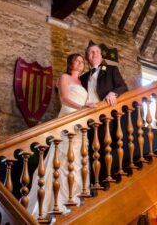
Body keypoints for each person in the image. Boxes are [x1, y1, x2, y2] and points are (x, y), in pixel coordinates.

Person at [27, 54, 96, 218]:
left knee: (79, 160)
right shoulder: (64, 77)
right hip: (69, 117)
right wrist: (82, 107)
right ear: (70, 63)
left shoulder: (82, 83)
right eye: (77, 60)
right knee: (63, 161)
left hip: (81, 123)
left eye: (82, 61)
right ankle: (57, 206)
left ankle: (74, 204)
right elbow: (64, 98)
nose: (80, 63)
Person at [80, 42, 128, 184]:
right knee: (89, 153)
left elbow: (123, 87)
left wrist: (113, 93)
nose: (94, 54)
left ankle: (105, 183)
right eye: (90, 52)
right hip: (87, 119)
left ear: (101, 56)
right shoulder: (82, 78)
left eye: (96, 52)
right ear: (87, 57)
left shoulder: (112, 69)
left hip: (105, 116)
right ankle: (93, 184)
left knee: (104, 150)